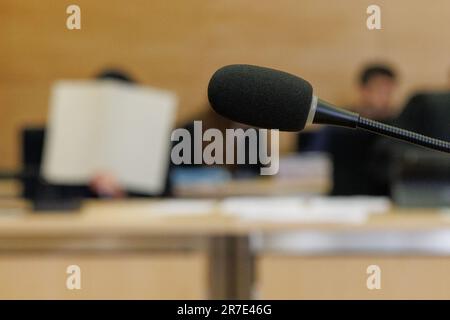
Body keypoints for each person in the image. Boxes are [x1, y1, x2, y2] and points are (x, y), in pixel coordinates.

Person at [298, 64, 398, 196]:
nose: (385, 98)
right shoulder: (339, 121)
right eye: (380, 91)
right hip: (344, 199)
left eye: (389, 92)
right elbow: (311, 159)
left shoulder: (397, 126)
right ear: (364, 90)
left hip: (385, 200)